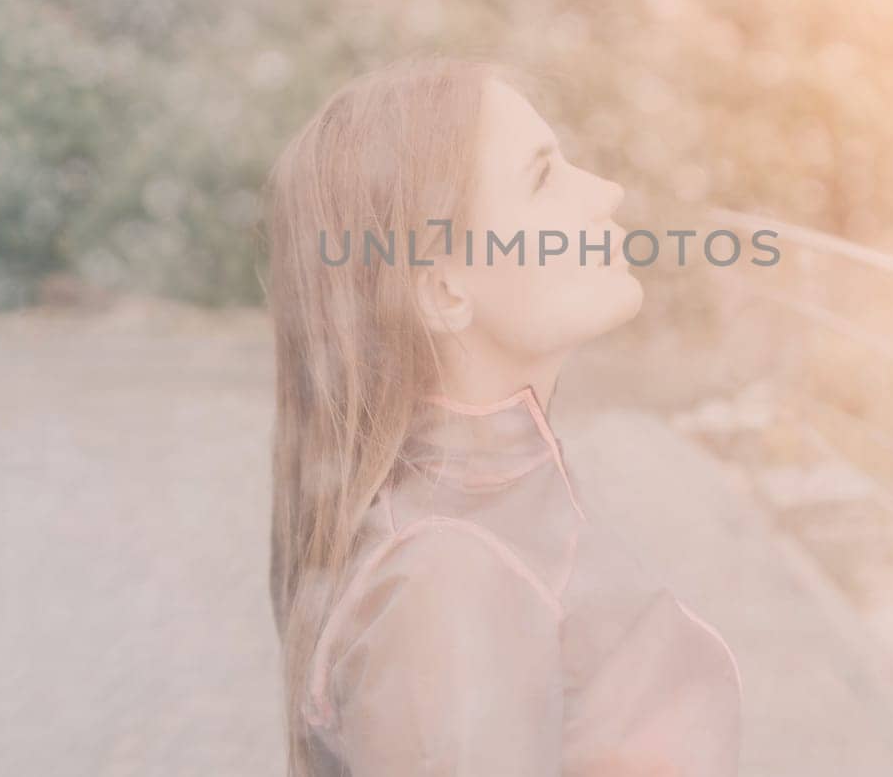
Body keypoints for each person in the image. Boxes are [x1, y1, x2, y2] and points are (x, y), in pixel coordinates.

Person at [263, 54, 743, 776]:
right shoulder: (444, 577)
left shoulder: (483, 519)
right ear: (444, 289)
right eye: (543, 177)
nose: (607, 191)